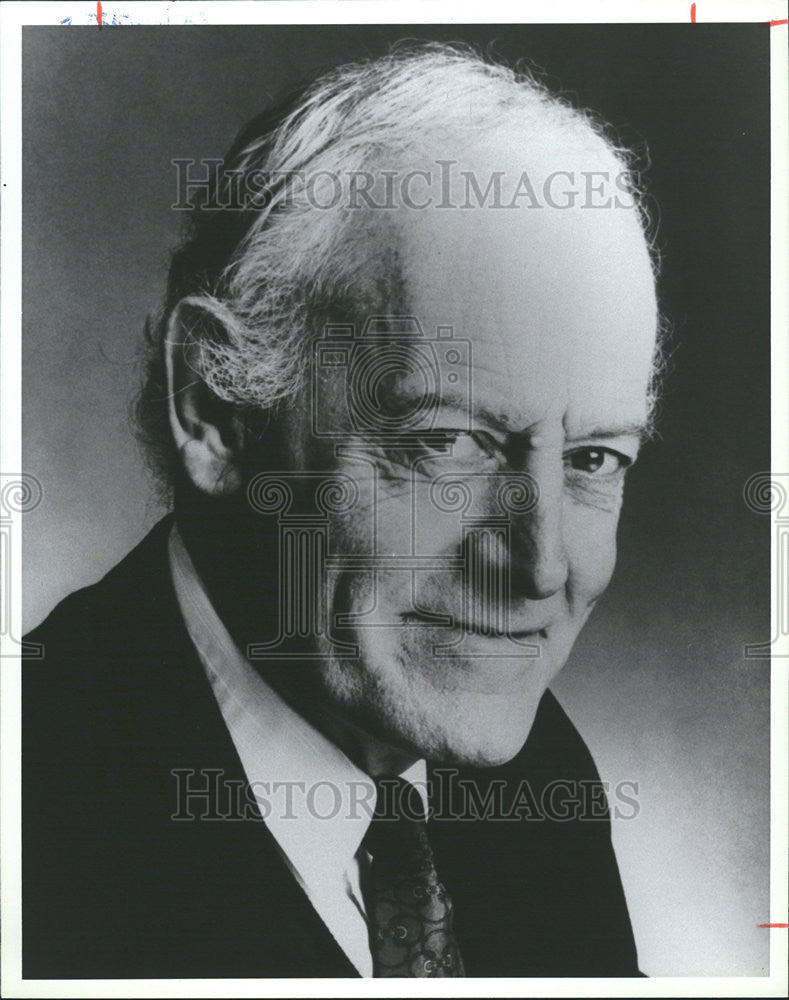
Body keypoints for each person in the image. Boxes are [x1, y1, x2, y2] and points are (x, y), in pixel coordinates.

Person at [23, 43, 660, 978]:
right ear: (217, 414)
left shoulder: (535, 778)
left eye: (592, 459)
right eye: (447, 444)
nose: (541, 569)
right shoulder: (33, 808)